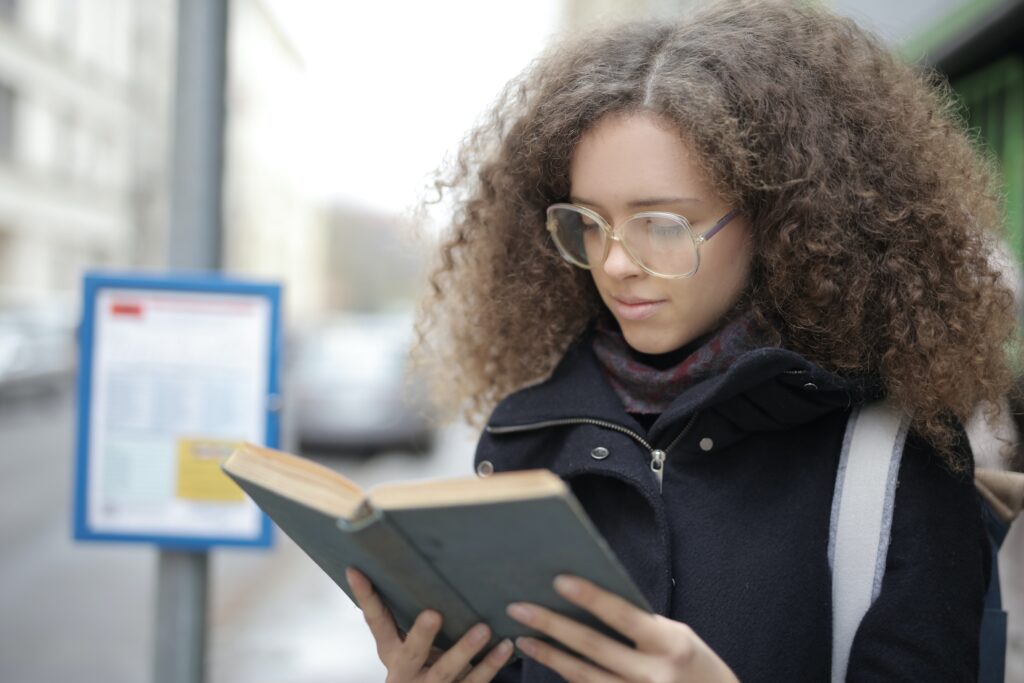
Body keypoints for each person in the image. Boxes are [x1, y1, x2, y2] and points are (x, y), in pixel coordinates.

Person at [345, 1, 1021, 680]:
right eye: (590, 222)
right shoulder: (525, 439)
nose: (614, 263)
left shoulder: (892, 457)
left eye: (661, 223)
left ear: (779, 220)